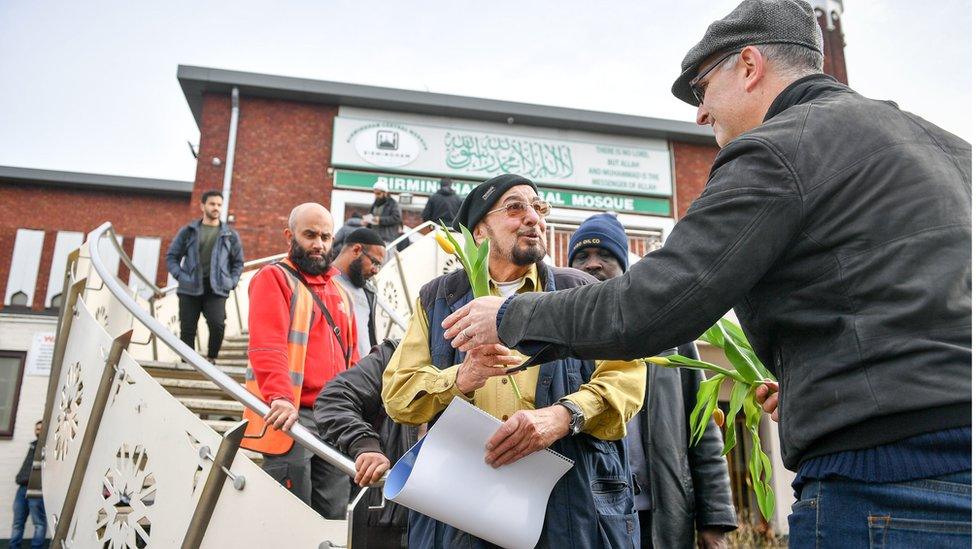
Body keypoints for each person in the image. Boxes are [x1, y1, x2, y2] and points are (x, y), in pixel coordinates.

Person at [442, 1, 972, 547]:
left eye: (702, 88)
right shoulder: (952, 150)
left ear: (748, 66)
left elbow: (652, 305)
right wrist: (815, 379)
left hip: (885, 483)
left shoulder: (778, 148)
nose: (699, 113)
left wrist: (509, 315)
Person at [382, 174, 646, 547]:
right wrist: (461, 376)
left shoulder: (579, 291)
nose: (534, 218)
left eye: (539, 208)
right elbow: (397, 394)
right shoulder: (438, 298)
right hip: (464, 515)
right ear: (479, 231)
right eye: (515, 207)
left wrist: (562, 416)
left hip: (569, 512)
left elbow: (626, 379)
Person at [568, 213, 737, 548]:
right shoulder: (559, 343)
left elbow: (703, 430)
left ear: (625, 266)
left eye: (605, 255)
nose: (593, 265)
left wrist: (714, 519)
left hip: (661, 518)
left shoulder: (670, 336)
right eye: (582, 257)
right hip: (587, 518)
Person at [242, 202, 360, 519]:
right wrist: (280, 397)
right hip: (293, 414)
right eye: (310, 235)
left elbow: (355, 361)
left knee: (333, 517)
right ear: (289, 236)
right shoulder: (273, 278)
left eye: (325, 236)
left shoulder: (341, 290)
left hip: (335, 418)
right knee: (288, 518)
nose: (319, 244)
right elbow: (267, 346)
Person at [314, 339, 416, 549]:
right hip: (389, 519)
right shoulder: (394, 355)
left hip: (460, 524)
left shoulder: (493, 362)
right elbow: (334, 398)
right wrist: (365, 445)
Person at [166, 190, 244, 361]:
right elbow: (172, 257)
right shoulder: (188, 231)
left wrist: (231, 281)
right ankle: (188, 363)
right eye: (212, 204)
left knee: (217, 325)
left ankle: (211, 359)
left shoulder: (230, 235)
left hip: (217, 288)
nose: (216, 208)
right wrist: (181, 276)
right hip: (189, 287)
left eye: (219, 205)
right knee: (187, 329)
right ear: (203, 206)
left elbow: (238, 262)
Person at [333, 228, 387, 358]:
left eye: (379, 266)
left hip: (359, 375)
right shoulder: (321, 282)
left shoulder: (369, 293)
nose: (376, 271)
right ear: (356, 250)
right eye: (374, 262)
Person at [11, 420, 47, 549]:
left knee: (39, 523)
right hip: (22, 488)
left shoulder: (49, 448)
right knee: (17, 522)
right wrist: (20, 477)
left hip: (37, 488)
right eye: (37, 429)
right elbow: (27, 466)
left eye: (41, 428)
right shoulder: (33, 445)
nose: (38, 431)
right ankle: (13, 547)